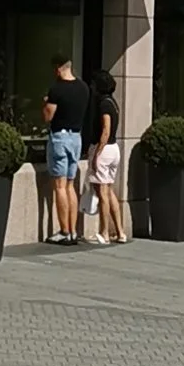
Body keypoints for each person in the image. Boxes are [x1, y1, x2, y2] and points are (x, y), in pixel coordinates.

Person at [42, 57, 92, 244]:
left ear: (57, 69)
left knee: (60, 186)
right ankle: (73, 230)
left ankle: (64, 230)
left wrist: (45, 102)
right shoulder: (83, 88)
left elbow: (48, 116)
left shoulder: (57, 89)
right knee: (71, 185)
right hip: (76, 137)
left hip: (60, 137)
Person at [88, 75, 127, 245]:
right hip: (114, 149)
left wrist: (97, 154)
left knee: (103, 191)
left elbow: (106, 129)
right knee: (109, 190)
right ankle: (120, 232)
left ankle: (104, 232)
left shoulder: (103, 104)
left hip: (104, 148)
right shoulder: (113, 103)